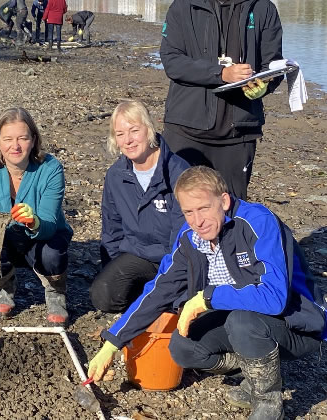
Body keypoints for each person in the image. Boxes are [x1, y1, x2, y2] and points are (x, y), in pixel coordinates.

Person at [87, 166, 326, 420]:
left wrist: (206, 298)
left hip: (297, 324)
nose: (197, 220)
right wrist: (112, 343)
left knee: (242, 322)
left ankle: (268, 401)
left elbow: (274, 298)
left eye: (203, 208)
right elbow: (158, 291)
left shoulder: (257, 222)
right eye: (188, 212)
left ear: (223, 201)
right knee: (182, 347)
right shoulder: (190, 238)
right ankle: (258, 374)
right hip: (243, 321)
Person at [160, 0, 284, 200]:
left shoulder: (263, 8)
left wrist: (264, 86)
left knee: (231, 212)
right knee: (181, 210)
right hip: (186, 130)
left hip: (238, 135)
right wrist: (221, 74)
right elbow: (172, 61)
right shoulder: (183, 6)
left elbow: (273, 64)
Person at [0, 107, 73, 325]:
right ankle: (7, 286)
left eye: (22, 138)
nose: (15, 146)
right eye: (7, 139)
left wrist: (34, 221)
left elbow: (50, 224)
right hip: (5, 239)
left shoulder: (51, 168)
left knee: (52, 256)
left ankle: (55, 291)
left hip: (44, 237)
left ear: (33, 140)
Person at [90, 101, 189, 314]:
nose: (128, 140)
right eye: (120, 134)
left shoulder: (178, 172)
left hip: (175, 258)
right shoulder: (116, 176)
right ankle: (147, 299)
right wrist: (110, 270)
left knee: (181, 305)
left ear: (149, 129)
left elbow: (185, 232)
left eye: (134, 130)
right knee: (103, 294)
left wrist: (171, 275)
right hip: (137, 256)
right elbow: (112, 229)